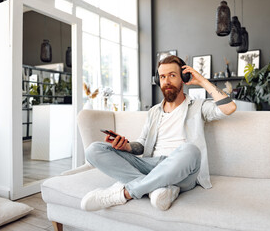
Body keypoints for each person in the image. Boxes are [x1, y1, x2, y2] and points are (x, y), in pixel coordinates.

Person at [81, 55, 237, 211]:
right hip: (150, 165)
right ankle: (159, 189)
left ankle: (124, 193)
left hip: (182, 168)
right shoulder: (154, 111)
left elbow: (229, 108)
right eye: (162, 76)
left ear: (183, 78)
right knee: (94, 150)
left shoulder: (198, 106)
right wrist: (127, 147)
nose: (167, 81)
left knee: (190, 150)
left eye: (172, 75)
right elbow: (141, 144)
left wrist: (202, 81)